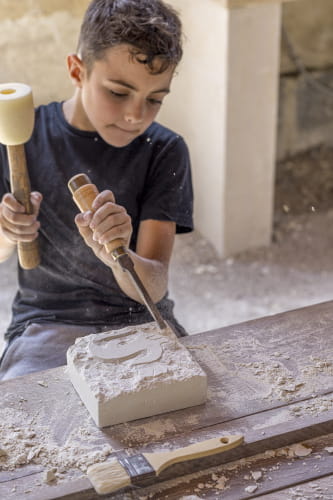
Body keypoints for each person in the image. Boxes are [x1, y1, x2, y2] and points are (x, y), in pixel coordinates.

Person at [0, 0, 193, 380]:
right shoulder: (21, 141)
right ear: (77, 70)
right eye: (119, 93)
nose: (136, 115)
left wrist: (116, 254)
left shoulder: (165, 150)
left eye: (154, 99)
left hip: (139, 319)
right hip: (47, 323)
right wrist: (7, 234)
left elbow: (152, 287)